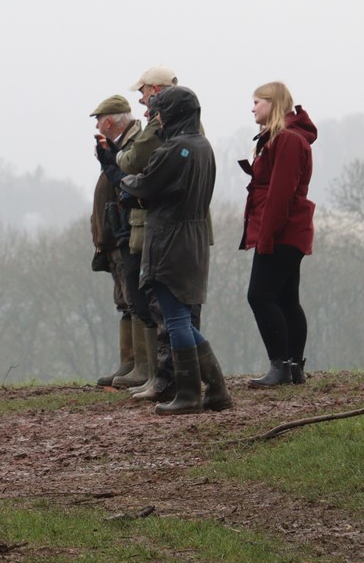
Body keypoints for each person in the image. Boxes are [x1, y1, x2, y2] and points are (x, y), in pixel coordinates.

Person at [121, 87, 231, 415]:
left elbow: (146, 184)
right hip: (194, 237)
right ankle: (216, 390)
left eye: (160, 112)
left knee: (175, 319)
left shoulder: (174, 148)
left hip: (169, 239)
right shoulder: (203, 146)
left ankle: (188, 394)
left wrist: (126, 183)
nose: (156, 118)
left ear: (172, 113)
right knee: (181, 318)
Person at [241, 81, 317, 387]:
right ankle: (293, 367)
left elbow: (280, 193)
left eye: (257, 102)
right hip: (288, 230)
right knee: (286, 299)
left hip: (281, 232)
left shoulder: (286, 140)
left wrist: (266, 236)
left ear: (273, 104)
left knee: (259, 296)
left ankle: (280, 366)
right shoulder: (283, 138)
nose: (252, 108)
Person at [89, 95, 148, 390]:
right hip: (114, 236)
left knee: (135, 301)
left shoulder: (132, 146)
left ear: (109, 120)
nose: (98, 126)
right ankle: (130, 363)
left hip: (125, 233)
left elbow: (125, 182)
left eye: (99, 120)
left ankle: (140, 365)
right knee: (124, 302)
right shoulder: (121, 146)